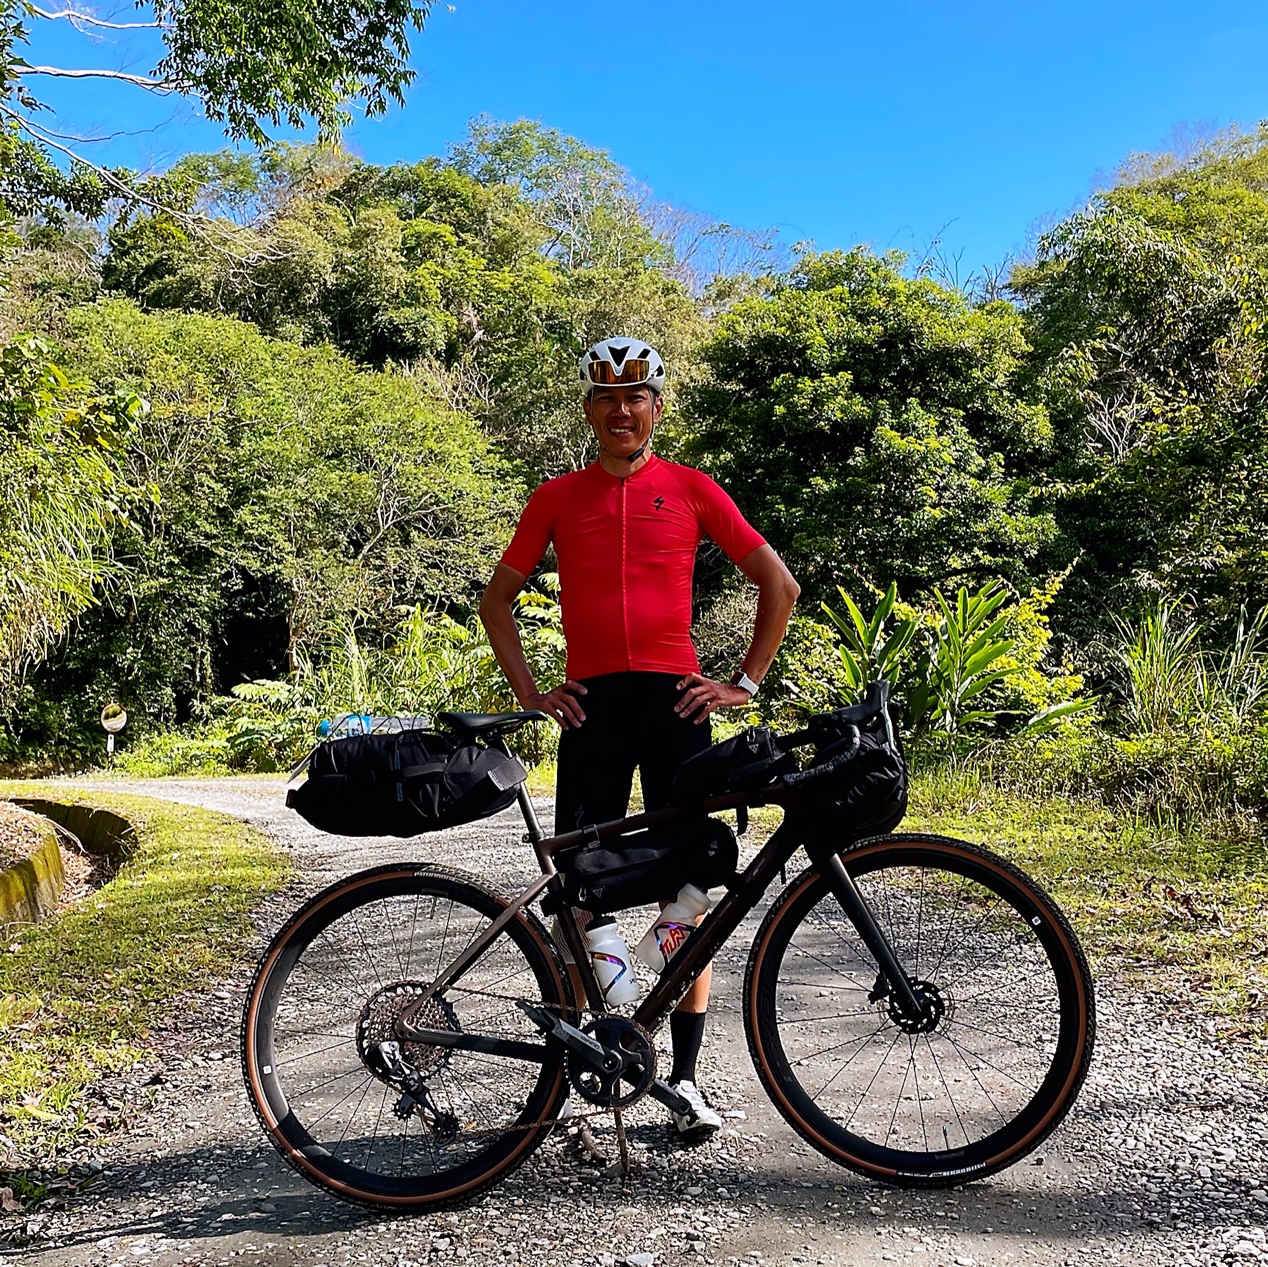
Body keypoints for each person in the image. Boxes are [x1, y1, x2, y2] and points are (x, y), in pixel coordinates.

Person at [479, 337, 800, 1141]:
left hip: (676, 707)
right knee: (576, 888)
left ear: (657, 406)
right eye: (605, 397)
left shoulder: (691, 488)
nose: (621, 411)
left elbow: (779, 584)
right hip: (589, 708)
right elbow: (497, 601)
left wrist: (744, 683)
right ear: (588, 410)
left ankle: (684, 1080)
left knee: (685, 886)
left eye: (636, 397)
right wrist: (531, 692)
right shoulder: (556, 495)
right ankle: (594, 1058)